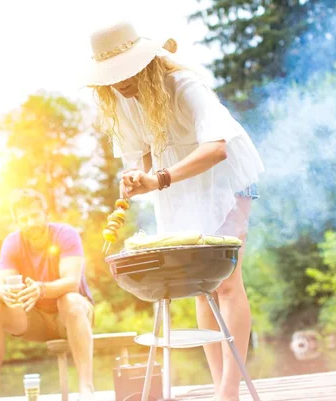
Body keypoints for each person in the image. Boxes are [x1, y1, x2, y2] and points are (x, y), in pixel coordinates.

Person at [85, 22, 265, 401]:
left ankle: (230, 390)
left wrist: (160, 178)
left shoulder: (186, 86)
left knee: (227, 283)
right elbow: (144, 152)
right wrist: (138, 176)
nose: (119, 83)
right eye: (111, 77)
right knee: (202, 287)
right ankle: (219, 385)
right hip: (179, 188)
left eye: (124, 72)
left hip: (225, 179)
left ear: (144, 63)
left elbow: (218, 149)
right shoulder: (119, 99)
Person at [0, 188, 95, 401]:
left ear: (46, 214)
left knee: (69, 300)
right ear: (17, 222)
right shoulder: (12, 242)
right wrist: (4, 293)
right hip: (35, 320)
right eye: (24, 219)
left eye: (35, 215)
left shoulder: (65, 234)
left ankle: (86, 389)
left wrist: (41, 289)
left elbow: (72, 282)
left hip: (71, 316)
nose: (31, 223)